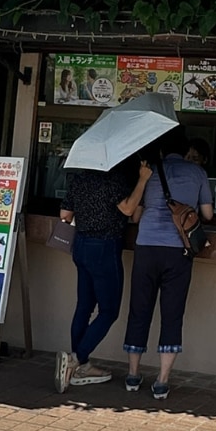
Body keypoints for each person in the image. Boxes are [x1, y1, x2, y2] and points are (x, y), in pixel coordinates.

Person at [123, 128, 212, 399]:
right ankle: (162, 381)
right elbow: (206, 213)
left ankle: (133, 375)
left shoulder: (148, 173)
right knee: (172, 315)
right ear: (185, 149)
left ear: (161, 150)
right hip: (178, 251)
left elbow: (135, 216)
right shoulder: (197, 173)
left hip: (147, 247)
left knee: (140, 310)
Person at [54, 156, 152, 393]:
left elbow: (65, 215)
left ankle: (81, 366)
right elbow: (129, 210)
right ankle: (77, 359)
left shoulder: (79, 180)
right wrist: (142, 180)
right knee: (108, 311)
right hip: (105, 247)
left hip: (81, 245)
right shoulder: (114, 180)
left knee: (84, 307)